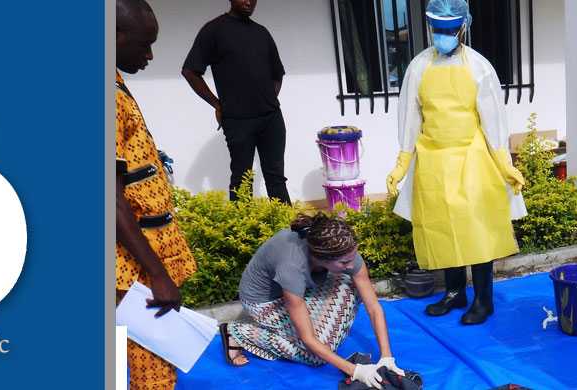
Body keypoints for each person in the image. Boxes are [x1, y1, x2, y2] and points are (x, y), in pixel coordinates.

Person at [386, 0, 527, 325]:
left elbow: (493, 121)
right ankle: (454, 293)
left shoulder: (479, 67)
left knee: (475, 229)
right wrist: (402, 163)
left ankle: (483, 299)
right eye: (439, 30)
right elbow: (410, 118)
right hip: (433, 161)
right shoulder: (418, 67)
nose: (443, 36)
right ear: (430, 27)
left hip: (472, 157)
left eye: (450, 30)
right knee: (442, 228)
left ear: (462, 27)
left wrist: (505, 164)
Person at [115, 1, 197, 389]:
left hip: (135, 259)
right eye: (144, 44)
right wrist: (158, 275)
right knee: (153, 368)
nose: (149, 55)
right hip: (133, 267)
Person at [221, 213, 401, 388]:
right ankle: (239, 332)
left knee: (351, 285)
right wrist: (355, 371)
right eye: (344, 263)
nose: (352, 265)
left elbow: (374, 307)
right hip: (264, 301)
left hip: (299, 289)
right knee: (316, 355)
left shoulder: (344, 250)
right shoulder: (292, 266)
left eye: (352, 257)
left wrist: (386, 356)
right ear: (321, 258)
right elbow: (308, 338)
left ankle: (309, 317)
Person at [182, 0, 291, 204]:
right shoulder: (214, 30)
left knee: (276, 179)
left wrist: (266, 98)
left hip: (271, 119)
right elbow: (190, 71)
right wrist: (217, 104)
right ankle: (244, 236)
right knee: (241, 181)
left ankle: (289, 232)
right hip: (238, 121)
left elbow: (278, 74)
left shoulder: (262, 33)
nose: (249, 1)